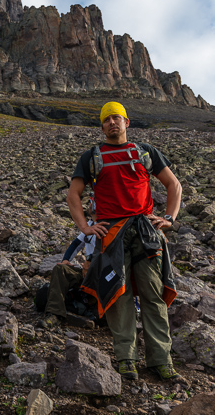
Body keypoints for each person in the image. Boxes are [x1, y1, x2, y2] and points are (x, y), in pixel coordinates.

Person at [66, 101, 184, 383]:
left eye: (116, 118)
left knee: (153, 295)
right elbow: (73, 195)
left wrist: (169, 217)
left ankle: (161, 361)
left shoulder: (145, 152)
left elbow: (174, 185)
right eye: (106, 120)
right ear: (102, 126)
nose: (112, 123)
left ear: (127, 122)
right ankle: (126, 359)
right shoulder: (91, 156)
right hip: (112, 233)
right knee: (119, 295)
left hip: (144, 231)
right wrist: (86, 228)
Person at [40, 200, 97, 329]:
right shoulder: (90, 224)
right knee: (61, 269)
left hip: (101, 274)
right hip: (86, 272)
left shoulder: (108, 225)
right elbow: (76, 244)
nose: (90, 205)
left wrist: (90, 260)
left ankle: (95, 309)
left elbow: (108, 250)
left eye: (92, 203)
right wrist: (66, 259)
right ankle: (55, 314)